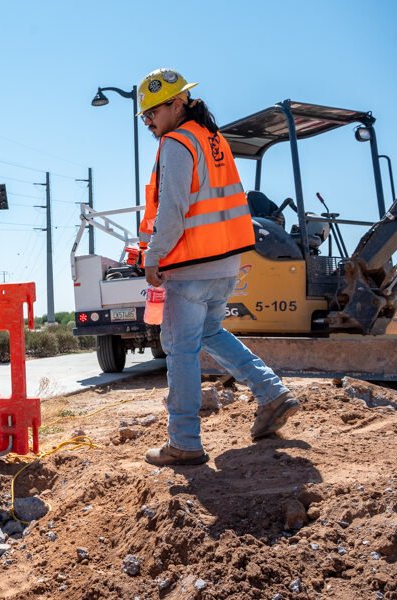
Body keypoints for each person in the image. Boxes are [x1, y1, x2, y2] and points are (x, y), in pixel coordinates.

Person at [135, 68, 300, 467]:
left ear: (176, 104)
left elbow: (173, 211)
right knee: (209, 331)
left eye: (152, 114)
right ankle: (270, 391)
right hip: (226, 262)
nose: (149, 124)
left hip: (191, 264)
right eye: (144, 118)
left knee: (179, 350)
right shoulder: (213, 140)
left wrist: (153, 257)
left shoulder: (177, 144)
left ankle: (184, 441)